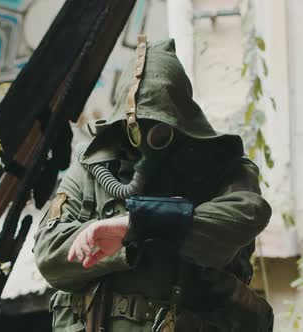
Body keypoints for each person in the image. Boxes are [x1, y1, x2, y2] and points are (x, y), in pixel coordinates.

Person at [33, 37, 274, 332]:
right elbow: (50, 253)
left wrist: (136, 224)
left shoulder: (221, 168)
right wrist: (107, 242)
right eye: (138, 123)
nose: (149, 132)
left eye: (159, 121)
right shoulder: (91, 167)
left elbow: (247, 214)